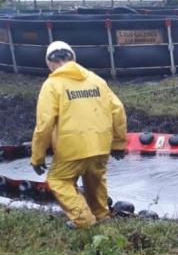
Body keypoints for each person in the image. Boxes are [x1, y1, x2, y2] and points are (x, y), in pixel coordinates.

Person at [30, 41, 127, 229]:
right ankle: (101, 215)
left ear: (49, 63)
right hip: (100, 145)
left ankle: (83, 219)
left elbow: (44, 125)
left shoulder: (52, 84)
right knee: (95, 180)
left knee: (58, 180)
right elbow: (118, 111)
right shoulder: (97, 80)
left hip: (71, 147)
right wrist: (118, 144)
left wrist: (38, 157)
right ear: (73, 57)